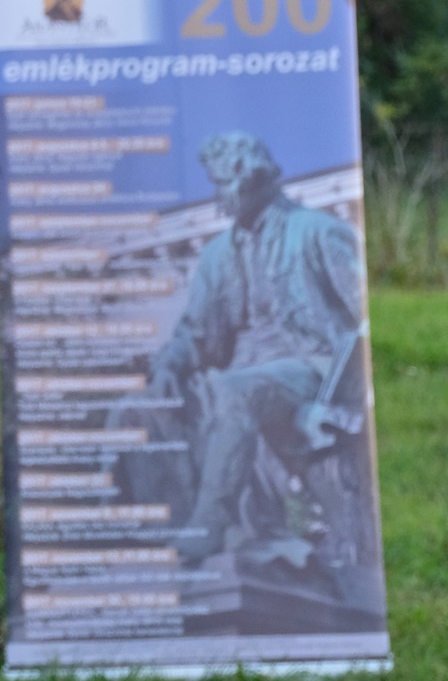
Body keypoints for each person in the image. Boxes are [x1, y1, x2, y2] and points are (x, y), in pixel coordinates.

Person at [149, 132, 368, 566]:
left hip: (309, 368)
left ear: (252, 179)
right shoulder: (216, 255)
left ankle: (209, 526)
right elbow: (195, 333)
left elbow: (364, 318)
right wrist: (168, 366)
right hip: (240, 374)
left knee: (236, 390)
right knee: (139, 408)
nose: (217, 198)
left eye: (222, 185)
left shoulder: (317, 231)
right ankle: (151, 534)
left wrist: (342, 398)